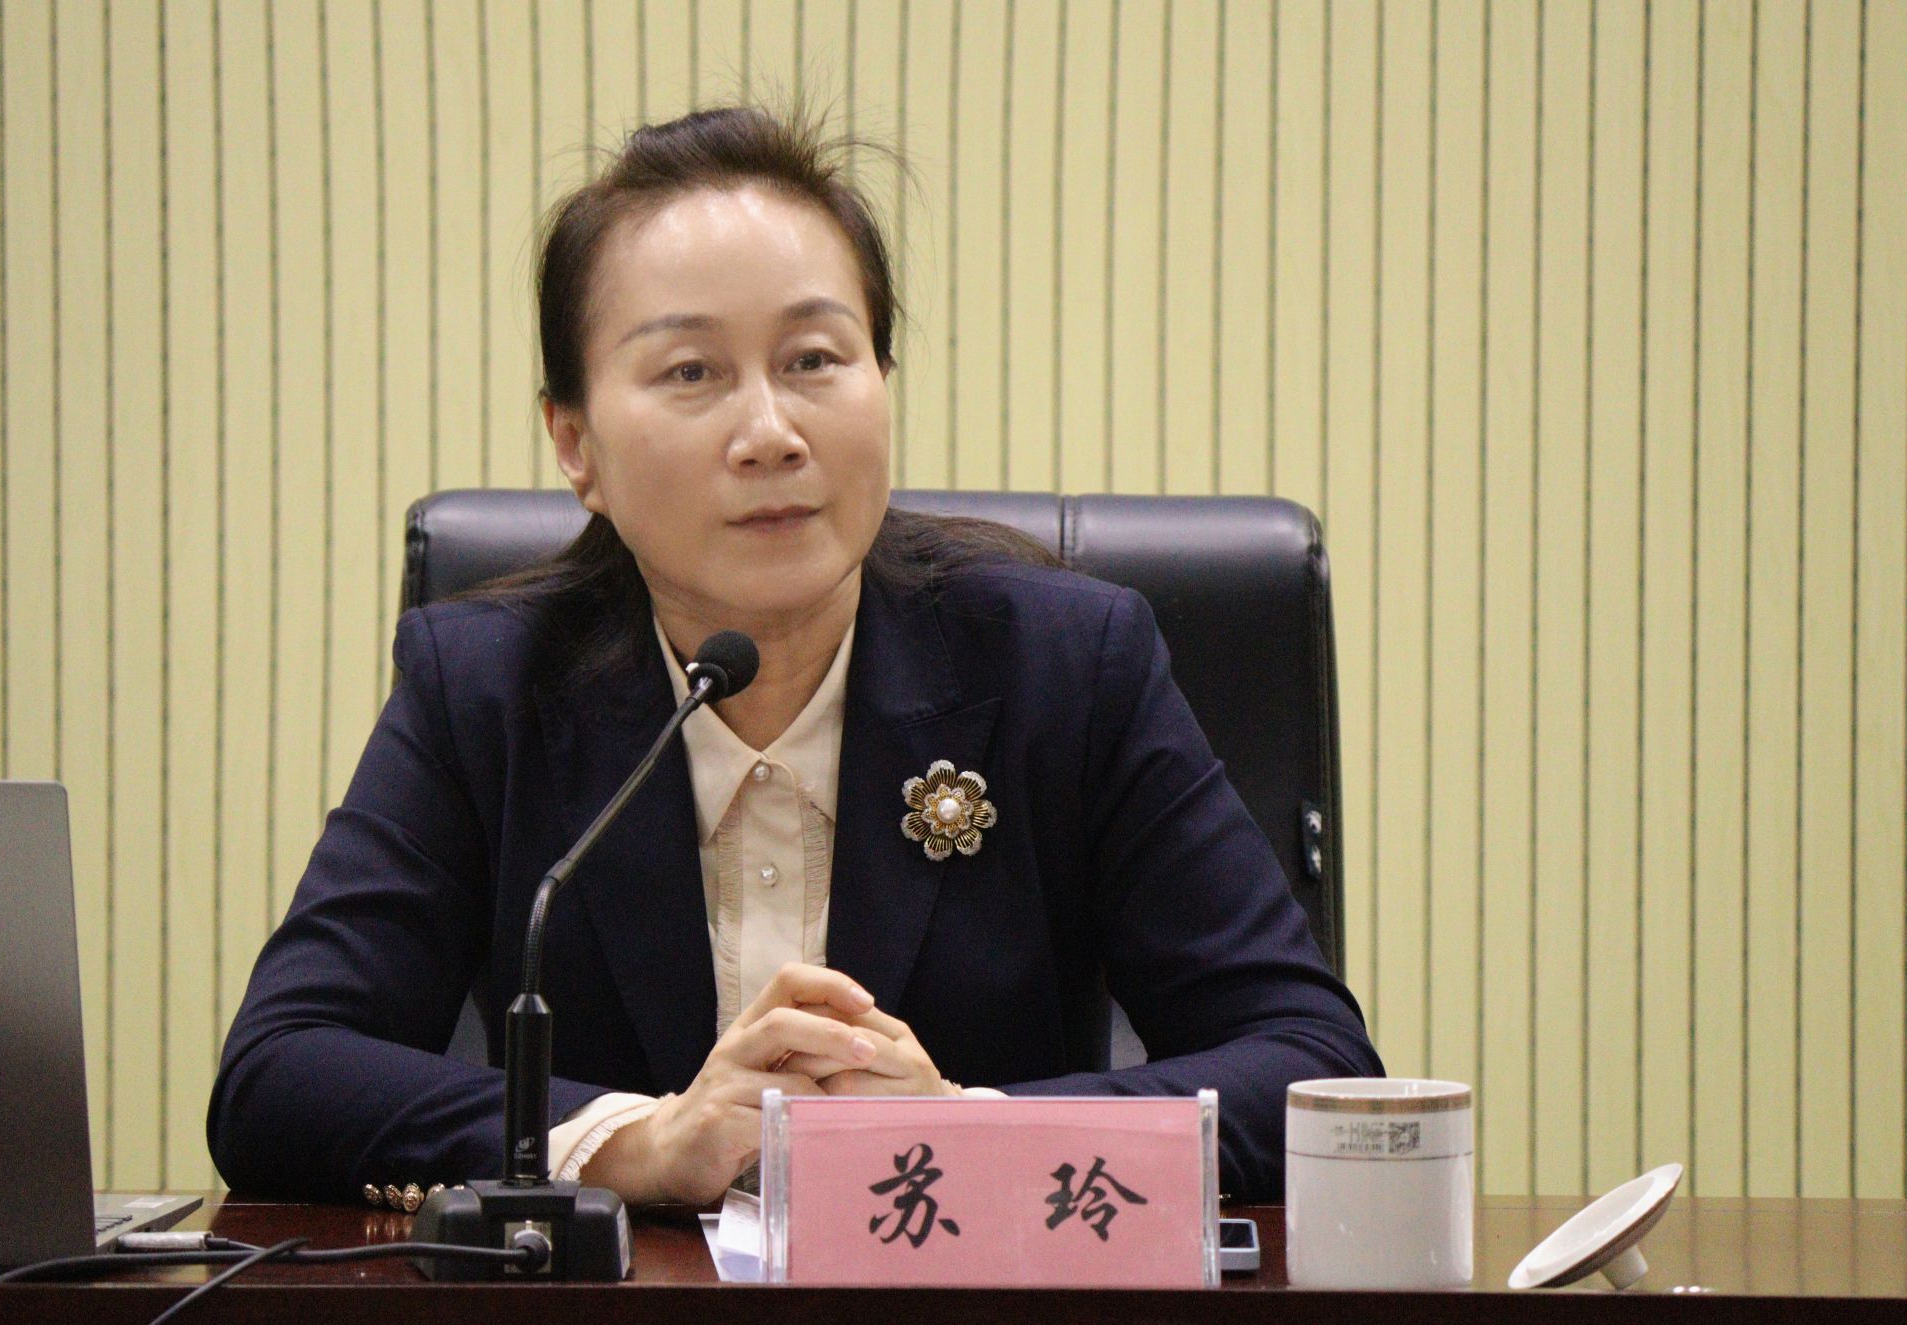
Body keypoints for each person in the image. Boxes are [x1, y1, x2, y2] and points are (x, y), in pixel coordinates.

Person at [207, 105, 1380, 1210]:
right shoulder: (486, 688)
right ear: (574, 444)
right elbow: (279, 1072)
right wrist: (639, 1143)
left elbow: (1313, 1067)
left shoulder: (1064, 668)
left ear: (881, 383)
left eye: (815, 359)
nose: (769, 434)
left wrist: (963, 1133)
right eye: (689, 373)